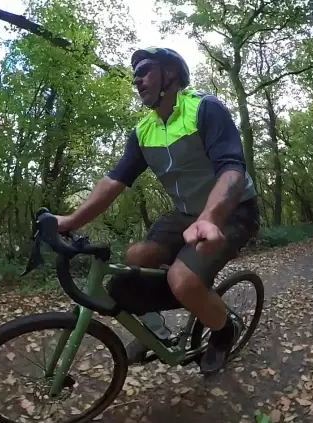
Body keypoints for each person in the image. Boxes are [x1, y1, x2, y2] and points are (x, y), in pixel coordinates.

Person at [54, 47, 260, 375]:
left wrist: (210, 217)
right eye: (134, 73)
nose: (137, 79)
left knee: (183, 279)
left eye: (145, 70)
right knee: (134, 258)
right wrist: (69, 221)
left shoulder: (204, 108)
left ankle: (224, 332)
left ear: (171, 74)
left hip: (233, 211)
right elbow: (113, 182)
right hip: (184, 213)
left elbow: (232, 170)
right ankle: (155, 332)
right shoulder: (143, 131)